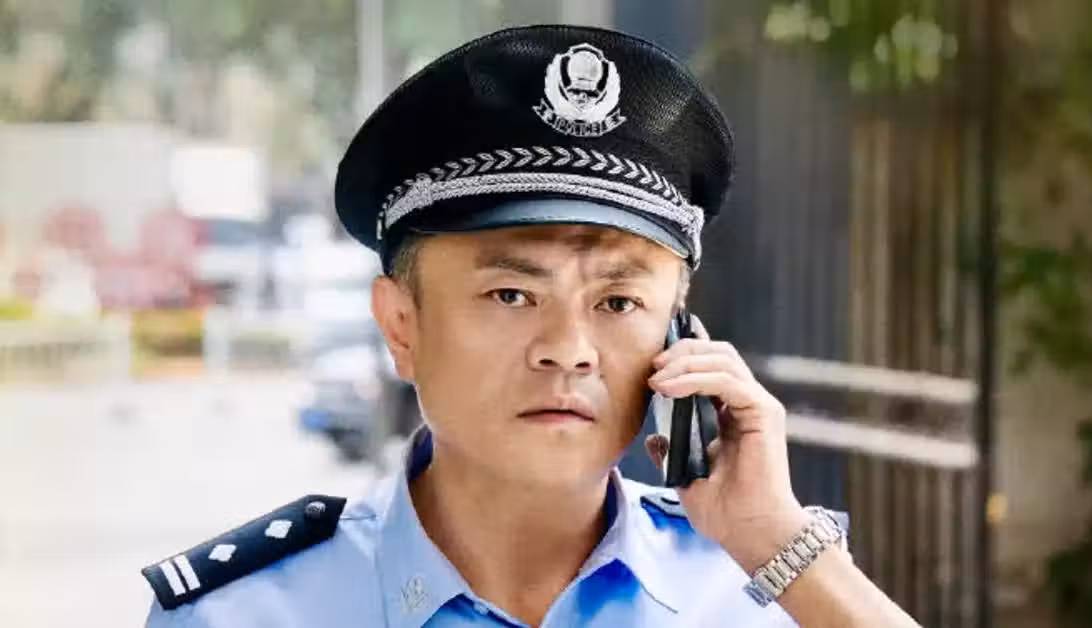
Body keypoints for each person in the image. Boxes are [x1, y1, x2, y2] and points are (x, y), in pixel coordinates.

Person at [141, 24, 921, 627]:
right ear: (401, 326)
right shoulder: (243, 613)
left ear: (678, 341)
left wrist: (780, 543)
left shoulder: (761, 591)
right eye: (512, 294)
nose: (568, 351)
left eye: (618, 303)